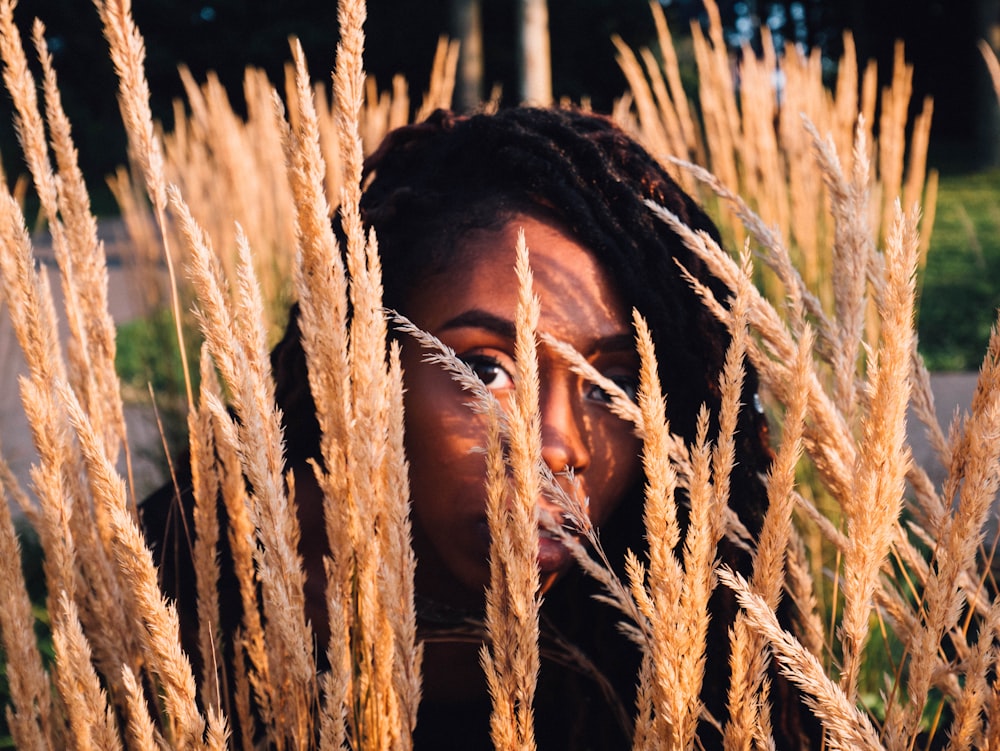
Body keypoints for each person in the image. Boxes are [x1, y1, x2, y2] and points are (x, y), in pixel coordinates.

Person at [143, 106, 814, 749]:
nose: (556, 443)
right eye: (482, 370)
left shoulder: (678, 621)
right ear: (365, 361)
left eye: (615, 386)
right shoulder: (183, 576)